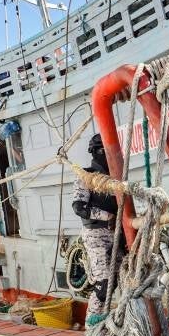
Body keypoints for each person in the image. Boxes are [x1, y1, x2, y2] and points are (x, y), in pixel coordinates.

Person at [71, 134, 122, 325]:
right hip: (97, 236)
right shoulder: (87, 176)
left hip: (117, 234)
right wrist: (107, 216)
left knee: (119, 279)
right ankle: (91, 325)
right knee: (103, 285)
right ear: (95, 152)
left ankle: (112, 323)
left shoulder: (116, 178)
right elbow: (79, 207)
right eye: (104, 151)